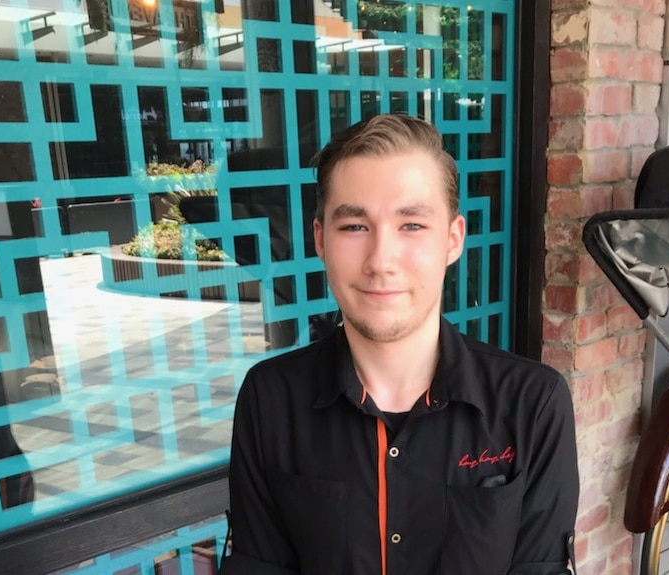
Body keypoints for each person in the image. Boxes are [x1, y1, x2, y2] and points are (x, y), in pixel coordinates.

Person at [224, 114, 579, 575]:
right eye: (354, 227)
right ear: (320, 240)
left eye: (411, 225)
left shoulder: (532, 403)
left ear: (453, 240)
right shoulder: (270, 399)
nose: (381, 260)